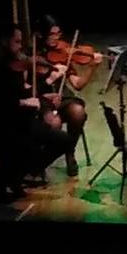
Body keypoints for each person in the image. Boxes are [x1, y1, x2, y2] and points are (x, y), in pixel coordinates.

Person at [0, 25, 71, 201]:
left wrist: (42, 97)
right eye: (17, 42)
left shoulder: (16, 65)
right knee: (27, 147)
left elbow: (21, 93)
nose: (21, 47)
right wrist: (23, 102)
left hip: (20, 120)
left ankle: (14, 176)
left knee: (63, 140)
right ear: (4, 42)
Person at [36, 15, 103, 177]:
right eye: (52, 34)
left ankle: (70, 152)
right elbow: (31, 88)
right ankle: (41, 162)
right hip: (42, 100)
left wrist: (92, 68)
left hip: (62, 97)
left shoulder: (63, 53)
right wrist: (51, 78)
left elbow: (77, 84)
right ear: (41, 34)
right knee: (54, 123)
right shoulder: (34, 55)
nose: (56, 38)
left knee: (78, 111)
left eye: (58, 33)